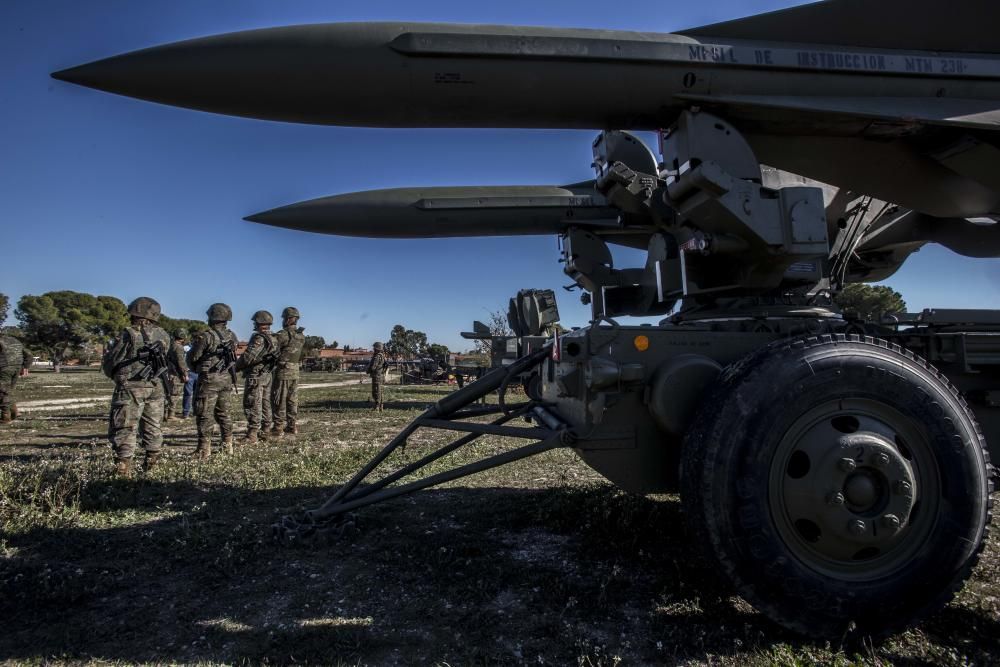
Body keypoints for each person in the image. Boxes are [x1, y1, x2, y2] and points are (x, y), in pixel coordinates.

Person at [101, 297, 171, 476]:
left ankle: (123, 469)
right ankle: (152, 465)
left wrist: (116, 375)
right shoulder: (163, 335)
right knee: (153, 425)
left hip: (131, 386)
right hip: (156, 386)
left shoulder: (128, 333)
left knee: (125, 426)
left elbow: (111, 360)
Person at [186, 303, 239, 458]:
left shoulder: (206, 336)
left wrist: (197, 368)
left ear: (212, 317)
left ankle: (204, 449)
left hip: (209, 379)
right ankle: (227, 445)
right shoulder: (232, 336)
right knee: (224, 413)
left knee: (204, 413)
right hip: (226, 378)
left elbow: (192, 357)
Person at [236, 310, 277, 444]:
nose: (253, 323)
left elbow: (248, 357)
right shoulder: (274, 338)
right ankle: (265, 430)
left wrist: (235, 367)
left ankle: (252, 435)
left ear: (259, 322)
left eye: (255, 321)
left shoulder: (259, 337)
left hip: (256, 375)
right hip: (267, 374)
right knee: (265, 403)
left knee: (253, 403)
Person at [271, 306, 305, 437]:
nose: (283, 320)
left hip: (283, 371)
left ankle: (278, 427)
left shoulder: (283, 335)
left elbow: (273, 349)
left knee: (279, 399)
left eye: (285, 318)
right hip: (295, 371)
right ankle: (292, 425)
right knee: (292, 399)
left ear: (290, 319)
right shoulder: (301, 336)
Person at [0, 334, 32, 423]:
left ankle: (5, 416)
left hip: (4, 367)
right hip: (17, 367)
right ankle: (14, 413)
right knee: (8, 390)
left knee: (3, 392)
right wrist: (25, 367)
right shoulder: (15, 340)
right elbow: (29, 354)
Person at [163, 328, 189, 422]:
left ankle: (165, 413)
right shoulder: (179, 347)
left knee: (168, 394)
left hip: (169, 372)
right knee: (174, 394)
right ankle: (170, 415)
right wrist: (185, 373)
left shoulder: (170, 345)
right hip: (176, 374)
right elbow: (181, 362)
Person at [367, 341, 387, 412]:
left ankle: (377, 407)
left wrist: (368, 370)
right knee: (380, 391)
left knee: (376, 391)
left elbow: (373, 367)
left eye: (374, 348)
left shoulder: (377, 356)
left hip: (376, 375)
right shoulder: (382, 356)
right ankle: (381, 406)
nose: (373, 349)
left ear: (377, 348)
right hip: (380, 375)